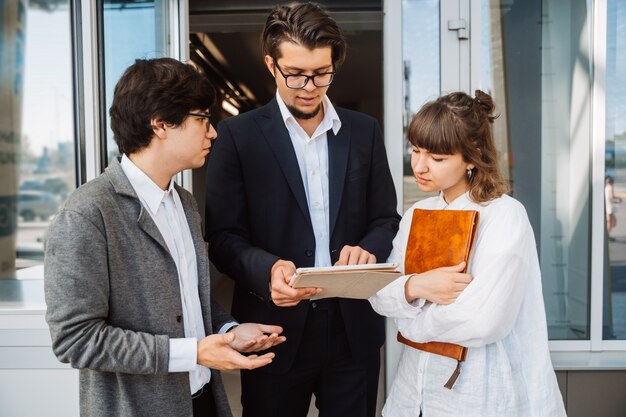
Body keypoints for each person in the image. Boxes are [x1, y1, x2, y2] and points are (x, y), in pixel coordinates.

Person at [44, 58, 286, 417]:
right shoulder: (88, 213)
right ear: (160, 124)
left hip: (203, 399)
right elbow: (75, 340)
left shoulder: (184, 202)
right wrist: (194, 352)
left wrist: (229, 329)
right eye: (202, 118)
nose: (213, 132)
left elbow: (189, 299)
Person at [204, 3, 406, 416]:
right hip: (272, 330)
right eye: (295, 73)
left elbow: (386, 218)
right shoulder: (237, 136)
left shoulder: (363, 131)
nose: (309, 86)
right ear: (270, 65)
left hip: (354, 330)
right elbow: (222, 237)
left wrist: (368, 247)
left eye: (321, 73)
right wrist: (266, 269)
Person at [369, 90, 567, 416]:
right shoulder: (417, 213)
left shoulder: (504, 215)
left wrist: (410, 324)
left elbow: (484, 320)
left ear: (472, 156)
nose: (419, 165)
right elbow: (380, 294)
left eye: (437, 158)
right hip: (412, 390)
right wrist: (417, 286)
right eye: (416, 150)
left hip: (480, 391)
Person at [605, 175, 621, 240]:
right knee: (612, 222)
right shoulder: (610, 187)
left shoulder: (605, 188)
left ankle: (608, 235)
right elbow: (612, 197)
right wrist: (618, 199)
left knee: (610, 221)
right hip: (610, 207)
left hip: (607, 206)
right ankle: (607, 235)